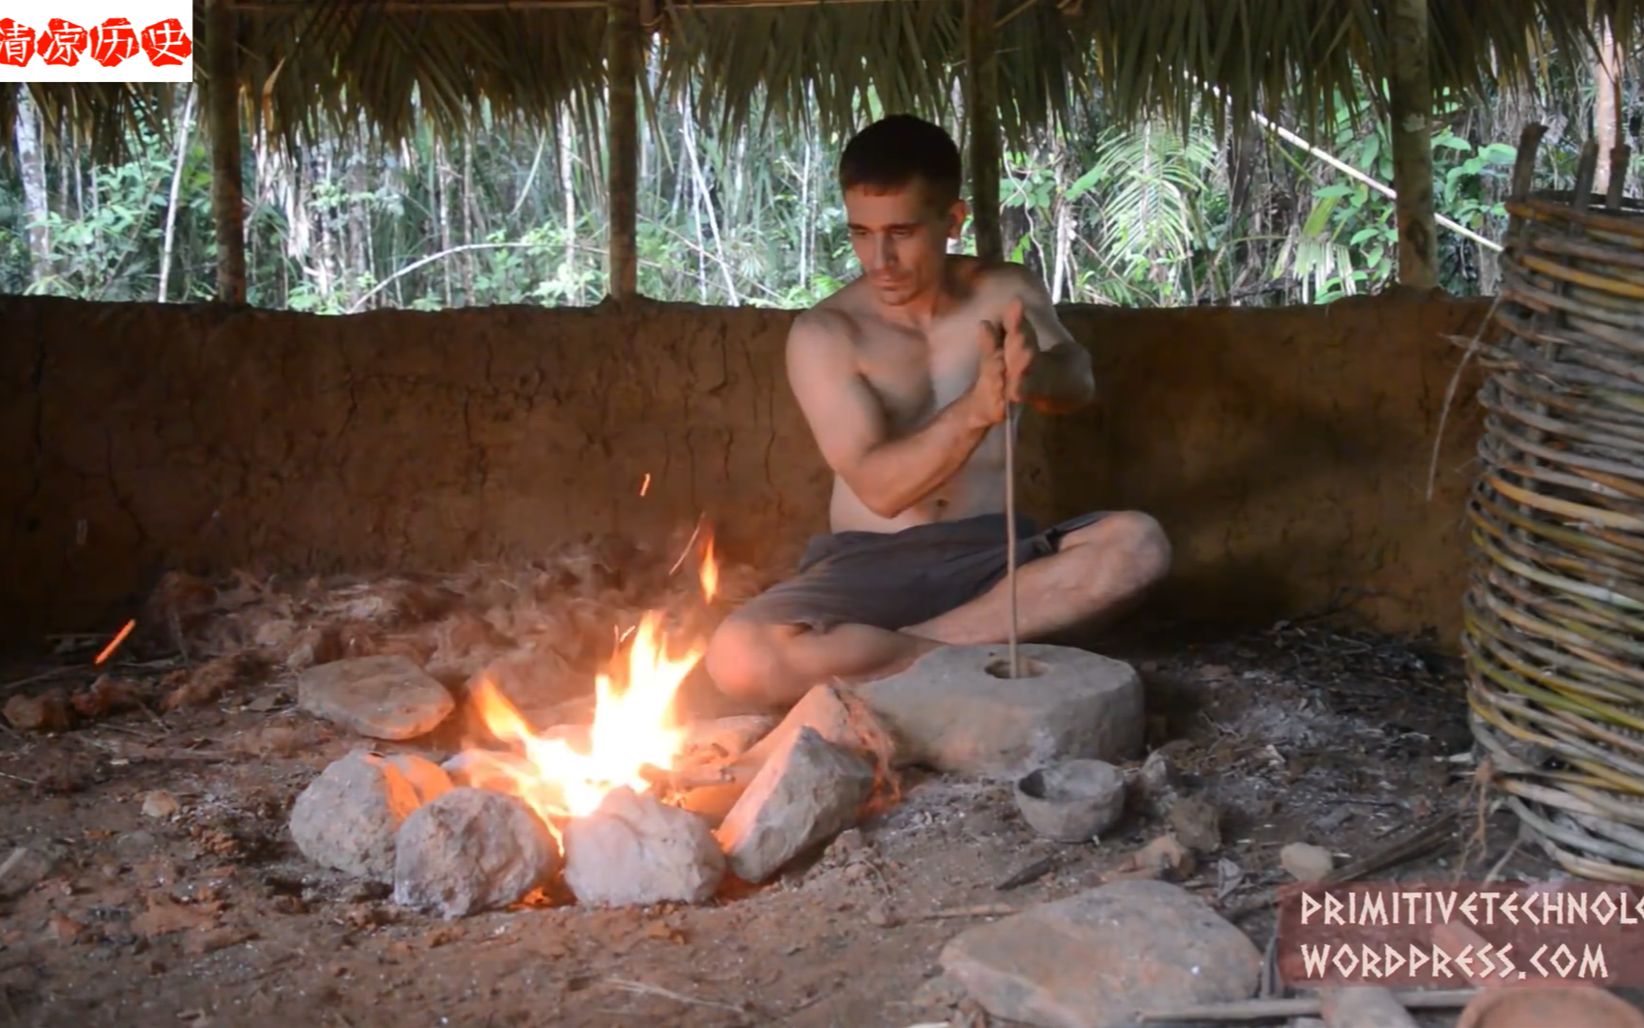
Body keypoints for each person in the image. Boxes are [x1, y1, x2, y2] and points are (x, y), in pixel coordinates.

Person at [704, 114, 1170, 709]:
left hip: (994, 560)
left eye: (900, 232)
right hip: (867, 567)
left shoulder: (1005, 290)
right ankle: (977, 654)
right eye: (861, 233)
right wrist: (976, 410)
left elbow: (1076, 382)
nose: (879, 259)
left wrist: (1036, 373)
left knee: (1139, 545)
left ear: (951, 221)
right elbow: (880, 488)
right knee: (739, 655)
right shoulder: (827, 333)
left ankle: (903, 656)